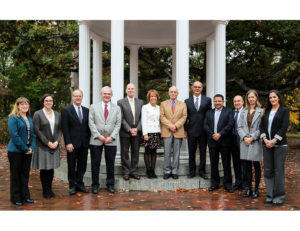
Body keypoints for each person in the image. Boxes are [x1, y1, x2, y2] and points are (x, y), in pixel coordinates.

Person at [89, 86, 121, 194]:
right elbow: (91, 122)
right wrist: (98, 135)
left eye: (109, 94)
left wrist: (112, 136)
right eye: (105, 94)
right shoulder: (93, 107)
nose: (107, 95)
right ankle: (95, 185)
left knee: (110, 163)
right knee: (95, 163)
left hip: (111, 140)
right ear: (101, 94)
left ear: (111, 95)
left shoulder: (117, 108)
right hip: (96, 139)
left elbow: (118, 124)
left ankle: (110, 184)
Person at [260, 90, 290, 205]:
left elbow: (284, 127)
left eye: (274, 97)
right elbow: (261, 127)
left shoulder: (284, 110)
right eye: (270, 97)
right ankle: (270, 195)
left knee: (278, 171)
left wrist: (273, 141)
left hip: (279, 146)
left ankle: (279, 196)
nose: (272, 99)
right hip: (266, 144)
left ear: (278, 98)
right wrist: (265, 140)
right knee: (268, 171)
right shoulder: (266, 111)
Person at [32, 94, 62, 198]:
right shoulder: (38, 114)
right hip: (43, 146)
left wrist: (57, 141)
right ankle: (45, 190)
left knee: (51, 168)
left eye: (50, 100)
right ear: (43, 102)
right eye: (46, 100)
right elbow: (37, 130)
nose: (48, 102)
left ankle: (50, 189)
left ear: (53, 102)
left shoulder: (57, 114)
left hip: (55, 145)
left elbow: (59, 129)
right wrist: (47, 142)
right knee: (44, 169)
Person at [61, 89, 91, 195]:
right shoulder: (66, 110)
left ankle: (80, 183)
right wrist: (68, 142)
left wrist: (89, 142)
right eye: (75, 96)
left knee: (82, 165)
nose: (78, 98)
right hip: (72, 144)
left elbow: (88, 127)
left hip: (84, 143)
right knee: (71, 165)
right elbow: (65, 128)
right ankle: (72, 185)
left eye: (80, 96)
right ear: (72, 97)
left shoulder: (87, 110)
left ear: (82, 97)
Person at [7, 97, 35, 206]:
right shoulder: (13, 118)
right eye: (22, 104)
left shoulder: (29, 118)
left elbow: (32, 135)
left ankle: (25, 196)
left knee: (25, 175)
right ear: (18, 106)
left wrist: (31, 147)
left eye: (26, 104)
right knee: (15, 175)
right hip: (16, 151)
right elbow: (15, 136)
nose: (24, 106)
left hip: (28, 150)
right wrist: (25, 148)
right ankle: (16, 198)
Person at [204, 94, 234, 193]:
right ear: (213, 102)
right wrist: (213, 135)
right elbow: (205, 125)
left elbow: (230, 124)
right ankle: (214, 183)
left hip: (225, 141)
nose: (217, 103)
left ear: (223, 101)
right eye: (215, 101)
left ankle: (228, 184)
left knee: (226, 163)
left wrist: (220, 134)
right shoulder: (209, 112)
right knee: (213, 163)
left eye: (219, 101)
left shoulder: (229, 111)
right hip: (212, 141)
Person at [238, 89, 263, 198]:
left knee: (256, 166)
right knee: (246, 167)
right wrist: (244, 137)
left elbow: (262, 128)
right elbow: (239, 127)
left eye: (253, 97)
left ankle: (256, 189)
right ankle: (248, 188)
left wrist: (252, 138)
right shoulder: (243, 111)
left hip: (255, 142)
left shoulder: (261, 111)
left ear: (256, 98)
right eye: (249, 97)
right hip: (244, 142)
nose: (251, 99)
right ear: (247, 99)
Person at [184, 81, 211, 179]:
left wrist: (208, 130)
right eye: (195, 87)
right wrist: (185, 130)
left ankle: (202, 171)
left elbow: (209, 116)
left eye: (199, 87)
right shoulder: (187, 101)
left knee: (203, 152)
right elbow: (185, 117)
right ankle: (192, 171)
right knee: (191, 152)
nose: (197, 89)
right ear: (192, 88)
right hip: (191, 130)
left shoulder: (207, 100)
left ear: (202, 89)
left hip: (203, 131)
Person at [117, 83, 143, 180]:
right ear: (126, 90)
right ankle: (126, 172)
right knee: (125, 152)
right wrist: (129, 129)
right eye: (129, 89)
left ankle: (134, 171)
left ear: (135, 90)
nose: (131, 90)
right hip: (125, 131)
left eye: (132, 88)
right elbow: (121, 118)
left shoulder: (140, 102)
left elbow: (142, 117)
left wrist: (137, 128)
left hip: (137, 131)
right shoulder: (120, 102)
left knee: (135, 152)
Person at [160, 86, 187, 180]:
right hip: (167, 131)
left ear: (177, 93)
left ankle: (175, 171)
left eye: (175, 92)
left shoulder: (183, 104)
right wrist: (170, 125)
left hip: (178, 130)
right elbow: (162, 117)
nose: (173, 93)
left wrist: (176, 126)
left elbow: (184, 116)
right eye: (171, 91)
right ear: (169, 93)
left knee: (176, 153)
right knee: (167, 152)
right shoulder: (163, 104)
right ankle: (167, 171)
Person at [141, 89, 162, 179]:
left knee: (154, 152)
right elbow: (143, 121)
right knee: (147, 151)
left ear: (157, 98)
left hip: (156, 132)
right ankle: (148, 170)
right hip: (148, 132)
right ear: (149, 98)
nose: (153, 98)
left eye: (155, 96)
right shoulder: (145, 107)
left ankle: (153, 170)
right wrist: (145, 133)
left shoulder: (159, 107)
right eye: (151, 96)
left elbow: (160, 121)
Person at [231, 95, 247, 191]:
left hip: (243, 140)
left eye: (239, 101)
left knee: (244, 163)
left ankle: (245, 184)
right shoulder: (232, 112)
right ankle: (238, 183)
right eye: (235, 101)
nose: (237, 103)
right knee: (236, 162)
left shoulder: (246, 112)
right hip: (233, 140)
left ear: (243, 102)